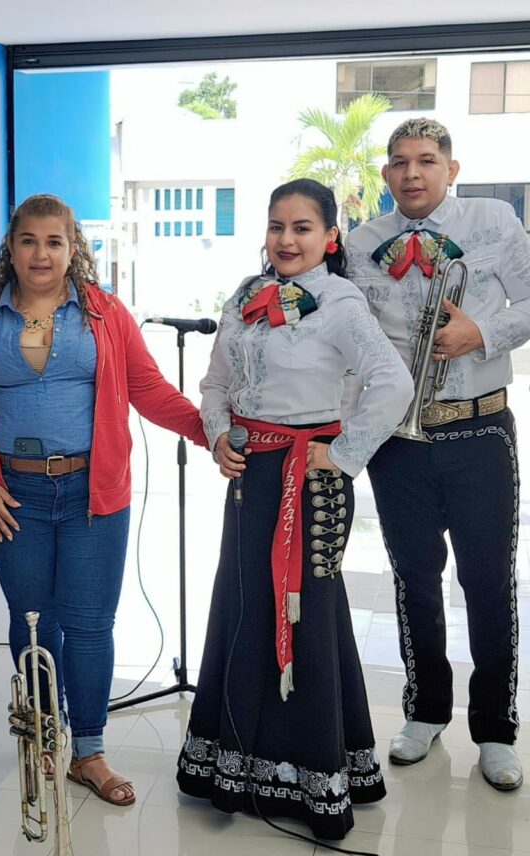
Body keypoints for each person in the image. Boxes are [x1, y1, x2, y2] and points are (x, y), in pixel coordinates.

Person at [0, 193, 208, 808]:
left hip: (95, 493)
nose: (41, 253)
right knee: (34, 622)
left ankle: (87, 752)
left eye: (54, 241)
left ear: (74, 249)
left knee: (90, 627)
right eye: (29, 241)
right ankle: (44, 737)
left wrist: (210, 430)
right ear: (9, 247)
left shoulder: (103, 313)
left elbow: (148, 389)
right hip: (11, 496)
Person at [176, 179, 412, 840]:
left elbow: (393, 381)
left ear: (329, 237)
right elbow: (216, 379)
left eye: (302, 227)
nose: (287, 239)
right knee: (245, 603)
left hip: (310, 476)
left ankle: (312, 774)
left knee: (305, 614)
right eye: (278, 225)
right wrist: (220, 432)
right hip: (251, 475)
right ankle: (236, 767)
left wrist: (344, 454)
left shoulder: (341, 302)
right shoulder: (245, 297)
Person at [346, 119, 530, 789]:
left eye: (427, 160)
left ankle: (495, 729)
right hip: (400, 439)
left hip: (481, 431)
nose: (412, 172)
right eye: (399, 162)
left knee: (487, 583)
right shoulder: (362, 242)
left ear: (451, 168)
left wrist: (483, 331)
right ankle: (425, 712)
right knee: (412, 579)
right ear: (387, 174)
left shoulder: (492, 219)